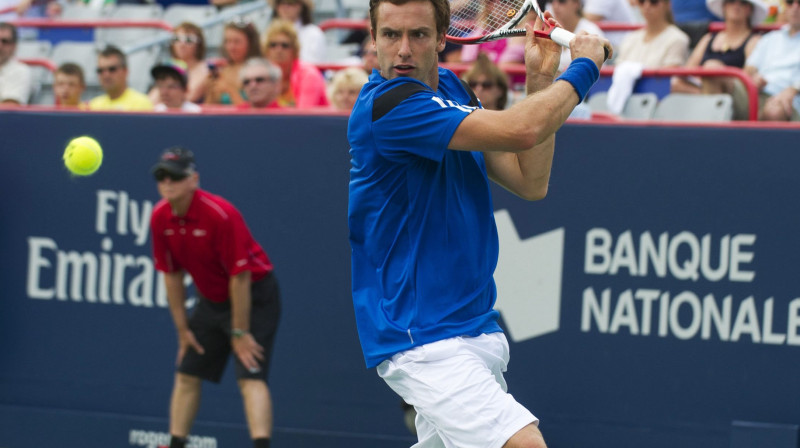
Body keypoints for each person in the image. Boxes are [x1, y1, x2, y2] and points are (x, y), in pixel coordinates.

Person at [347, 0, 609, 446]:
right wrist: (583, 68)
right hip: (422, 337)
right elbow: (522, 131)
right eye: (390, 35)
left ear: (443, 36)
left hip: (474, 327)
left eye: (419, 35)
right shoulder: (389, 107)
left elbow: (529, 180)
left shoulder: (450, 86)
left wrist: (542, 77)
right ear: (373, 39)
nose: (403, 50)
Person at [149, 147, 281, 448]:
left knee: (250, 376)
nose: (168, 182)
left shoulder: (220, 214)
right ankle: (176, 443)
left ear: (193, 179)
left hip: (255, 295)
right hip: (211, 301)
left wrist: (240, 331)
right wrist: (183, 331)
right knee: (186, 373)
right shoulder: (159, 217)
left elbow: (240, 275)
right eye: (161, 176)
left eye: (176, 176)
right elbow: (171, 276)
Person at [671, 0, 765, 119]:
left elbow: (747, 78)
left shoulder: (754, 40)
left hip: (736, 98)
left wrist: (714, 75)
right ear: (724, 6)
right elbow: (687, 71)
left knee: (712, 67)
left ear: (750, 10)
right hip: (706, 91)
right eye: (731, 2)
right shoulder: (708, 38)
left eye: (743, 3)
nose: (736, 6)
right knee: (675, 84)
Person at [744, 0, 800, 121]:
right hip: (755, 94)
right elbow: (749, 68)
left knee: (774, 111)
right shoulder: (770, 38)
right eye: (790, 2)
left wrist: (794, 89)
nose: (795, 7)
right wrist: (754, 76)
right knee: (714, 70)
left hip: (790, 102)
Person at [263, 19, 329, 107]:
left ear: (294, 49)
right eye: (273, 45)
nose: (278, 50)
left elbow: (303, 116)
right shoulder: (261, 74)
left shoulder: (308, 74)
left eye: (284, 45)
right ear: (266, 49)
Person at [204, 19, 262, 106]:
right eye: (228, 41)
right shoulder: (222, 70)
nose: (231, 47)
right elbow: (208, 109)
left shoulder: (261, 70)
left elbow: (253, 113)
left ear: (251, 43)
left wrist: (230, 90)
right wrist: (211, 90)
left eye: (237, 42)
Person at [152, 22, 209, 104]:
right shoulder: (167, 67)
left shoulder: (204, 69)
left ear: (199, 44)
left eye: (189, 40)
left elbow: (187, 97)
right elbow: (151, 100)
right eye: (177, 39)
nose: (182, 44)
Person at [88, 45, 153, 111]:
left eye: (112, 69)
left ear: (125, 71)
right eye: (100, 70)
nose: (106, 75)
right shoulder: (94, 105)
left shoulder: (142, 104)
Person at [0, 22, 31, 105]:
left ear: (14, 46)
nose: (0, 45)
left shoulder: (21, 71)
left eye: (5, 41)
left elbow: (9, 107)